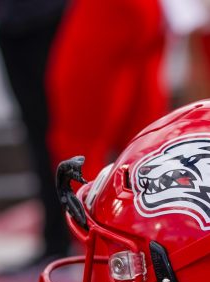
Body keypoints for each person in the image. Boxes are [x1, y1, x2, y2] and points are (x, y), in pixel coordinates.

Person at [0, 0, 71, 275]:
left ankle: (66, 237)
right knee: (43, 134)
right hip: (21, 25)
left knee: (60, 132)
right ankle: (59, 238)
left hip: (51, 22)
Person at [46, 0, 169, 182]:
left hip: (114, 12)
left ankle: (85, 209)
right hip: (147, 14)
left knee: (79, 149)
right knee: (146, 146)